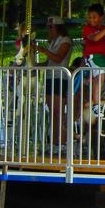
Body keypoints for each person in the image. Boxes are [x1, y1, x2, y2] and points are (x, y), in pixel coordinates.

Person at [33, 16, 73, 156]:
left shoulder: (65, 41)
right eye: (47, 27)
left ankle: (61, 142)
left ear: (59, 27)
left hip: (60, 78)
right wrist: (35, 66)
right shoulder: (53, 42)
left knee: (58, 112)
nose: (48, 30)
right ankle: (54, 142)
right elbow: (49, 62)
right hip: (50, 77)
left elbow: (58, 58)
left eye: (51, 27)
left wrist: (44, 51)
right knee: (53, 113)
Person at [84, 4, 105, 112]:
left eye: (94, 17)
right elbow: (95, 38)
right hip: (94, 57)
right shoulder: (87, 29)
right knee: (100, 73)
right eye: (89, 17)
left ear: (101, 18)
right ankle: (96, 104)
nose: (90, 19)